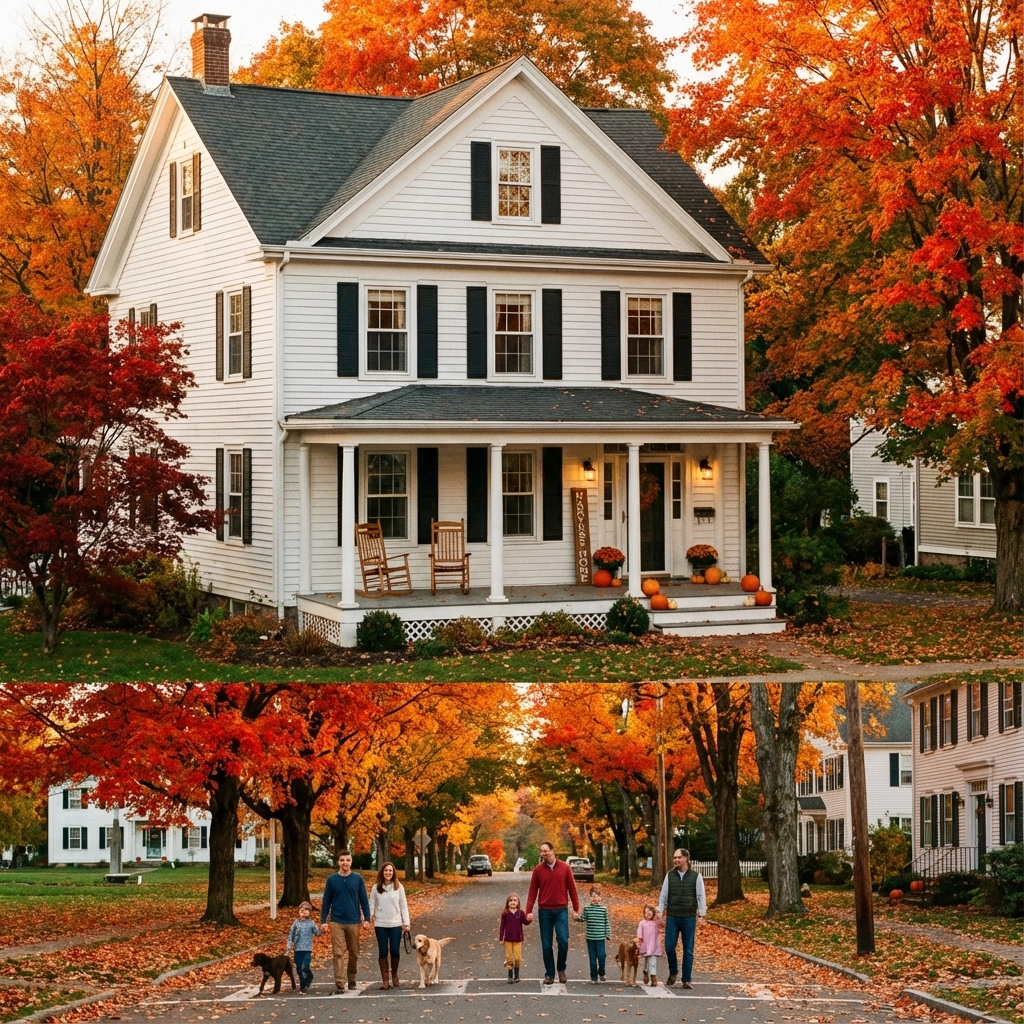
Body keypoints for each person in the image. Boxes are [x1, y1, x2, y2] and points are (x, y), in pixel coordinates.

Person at [524, 841, 580, 985]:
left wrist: (576, 908)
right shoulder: (538, 870)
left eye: (546, 850)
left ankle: (561, 968)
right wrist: (528, 911)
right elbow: (532, 892)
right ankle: (549, 973)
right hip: (545, 911)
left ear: (552, 851)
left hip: (561, 910)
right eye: (541, 851)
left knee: (563, 941)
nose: (544, 853)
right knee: (546, 945)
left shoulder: (565, 868)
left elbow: (572, 889)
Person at [320, 851, 372, 993]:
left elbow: (363, 900)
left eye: (347, 860)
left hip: (353, 921)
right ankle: (340, 982)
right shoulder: (332, 880)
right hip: (336, 921)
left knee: (354, 952)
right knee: (338, 952)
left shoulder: (357, 879)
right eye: (342, 860)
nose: (345, 863)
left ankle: (352, 978)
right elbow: (326, 901)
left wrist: (367, 919)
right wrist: (323, 920)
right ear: (338, 862)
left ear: (351, 861)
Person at [657, 848, 707, 988]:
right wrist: (660, 910)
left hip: (689, 917)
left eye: (679, 857)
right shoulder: (670, 875)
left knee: (688, 949)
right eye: (675, 858)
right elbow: (664, 895)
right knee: (669, 946)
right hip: (673, 916)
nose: (676, 860)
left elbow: (700, 896)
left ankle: (686, 979)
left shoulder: (696, 877)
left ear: (686, 858)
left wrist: (701, 914)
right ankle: (673, 971)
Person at [369, 861, 410, 991]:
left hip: (396, 923)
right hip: (380, 924)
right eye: (386, 870)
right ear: (382, 872)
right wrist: (367, 918)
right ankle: (385, 980)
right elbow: (371, 905)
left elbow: (403, 906)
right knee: (383, 952)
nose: (388, 873)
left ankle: (394, 975)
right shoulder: (376, 887)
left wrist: (406, 922)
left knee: (394, 951)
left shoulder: (399, 887)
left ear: (393, 873)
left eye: (390, 871)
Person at [575, 885, 610, 984]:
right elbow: (583, 918)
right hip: (590, 938)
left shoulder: (603, 909)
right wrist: (576, 917)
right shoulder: (587, 908)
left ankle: (602, 972)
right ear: (590, 897)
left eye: (596, 896)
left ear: (600, 898)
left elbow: (607, 922)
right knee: (592, 958)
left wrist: (608, 933)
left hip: (600, 938)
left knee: (602, 956)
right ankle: (593, 976)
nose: (594, 898)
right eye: (592, 896)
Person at [285, 901, 322, 994]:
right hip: (297, 949)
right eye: (302, 910)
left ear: (309, 912)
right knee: (298, 968)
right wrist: (289, 947)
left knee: (304, 966)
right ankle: (303, 985)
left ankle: (308, 978)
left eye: (306, 910)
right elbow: (291, 935)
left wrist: (322, 929)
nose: (304, 912)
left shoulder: (311, 923)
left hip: (307, 949)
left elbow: (317, 933)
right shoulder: (296, 923)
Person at [499, 892, 529, 984]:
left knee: (517, 958)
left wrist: (529, 919)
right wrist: (501, 938)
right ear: (507, 902)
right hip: (508, 939)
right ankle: (510, 976)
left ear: (518, 902)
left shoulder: (521, 913)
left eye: (515, 900)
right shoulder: (505, 914)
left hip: (518, 939)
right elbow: (502, 926)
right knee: (509, 957)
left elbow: (525, 922)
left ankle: (517, 975)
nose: (513, 902)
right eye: (511, 900)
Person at [636, 903, 660, 986]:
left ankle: (653, 977)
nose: (648, 914)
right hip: (645, 944)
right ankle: (645, 972)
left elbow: (661, 927)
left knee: (652, 962)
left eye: (650, 912)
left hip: (653, 945)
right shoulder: (642, 923)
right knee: (646, 961)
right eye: (646, 912)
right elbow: (639, 932)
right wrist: (639, 939)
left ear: (653, 913)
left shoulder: (656, 923)